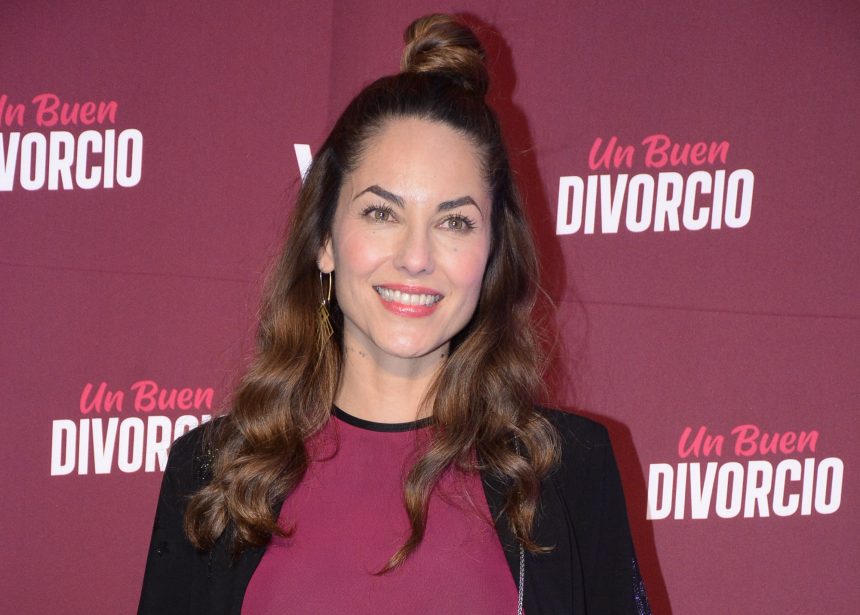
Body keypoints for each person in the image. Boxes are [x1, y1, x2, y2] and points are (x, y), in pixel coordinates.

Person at [139, 14, 650, 615]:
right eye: (382, 213)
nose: (415, 257)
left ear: (491, 255)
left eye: (454, 222)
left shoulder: (567, 471)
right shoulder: (212, 474)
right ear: (324, 240)